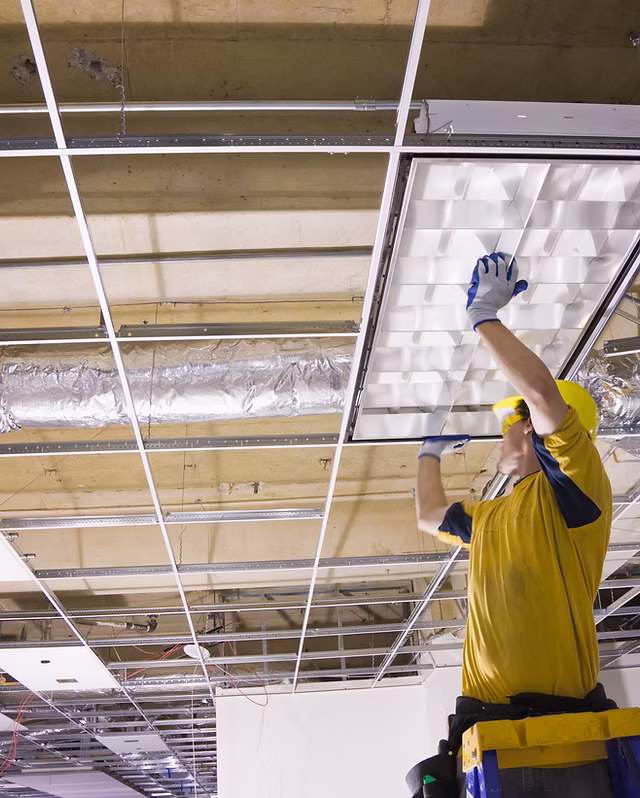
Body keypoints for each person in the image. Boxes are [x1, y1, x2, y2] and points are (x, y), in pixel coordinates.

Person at [409, 253, 615, 798]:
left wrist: (485, 318)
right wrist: (427, 457)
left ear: (534, 435)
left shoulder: (574, 491)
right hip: (507, 736)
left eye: (510, 422)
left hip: (548, 735)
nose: (504, 433)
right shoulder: (493, 515)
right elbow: (431, 517)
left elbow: (545, 398)